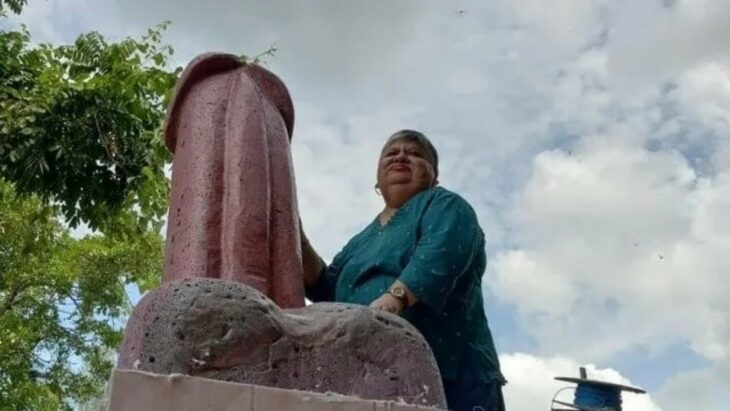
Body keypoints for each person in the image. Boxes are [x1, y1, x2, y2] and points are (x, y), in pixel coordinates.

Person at [300, 129, 506, 411]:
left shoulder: (444, 205)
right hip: (366, 375)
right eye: (391, 152)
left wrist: (392, 301)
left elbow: (441, 253)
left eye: (415, 153)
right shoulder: (359, 243)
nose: (401, 156)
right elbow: (326, 288)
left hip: (450, 374)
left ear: (434, 175)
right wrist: (295, 236)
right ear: (377, 179)